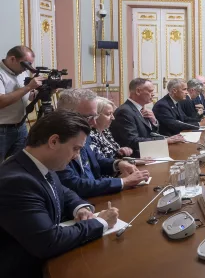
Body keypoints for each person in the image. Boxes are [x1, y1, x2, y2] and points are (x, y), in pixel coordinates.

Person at [0, 111, 119, 277]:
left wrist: (80, 207)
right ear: (54, 141)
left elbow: (63, 191)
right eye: (75, 148)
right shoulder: (16, 182)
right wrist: (100, 222)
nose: (76, 156)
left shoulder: (36, 163)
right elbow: (47, 242)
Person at [55, 89, 150, 198]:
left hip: (97, 195)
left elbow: (97, 161)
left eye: (95, 117)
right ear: (66, 115)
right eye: (88, 117)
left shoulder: (83, 132)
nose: (94, 122)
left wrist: (118, 164)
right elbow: (75, 185)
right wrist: (124, 182)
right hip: (84, 200)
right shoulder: (58, 142)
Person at [111, 78, 183, 155]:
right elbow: (132, 141)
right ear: (138, 91)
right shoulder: (124, 112)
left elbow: (151, 133)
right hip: (136, 155)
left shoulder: (140, 109)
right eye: (150, 91)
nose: (153, 94)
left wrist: (154, 121)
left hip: (149, 151)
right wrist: (164, 140)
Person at [0, 45, 44, 159]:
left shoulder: (21, 72)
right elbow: (1, 102)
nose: (27, 69)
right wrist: (28, 87)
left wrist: (46, 90)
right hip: (2, 130)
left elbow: (28, 96)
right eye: (25, 64)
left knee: (19, 163)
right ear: (12, 59)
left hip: (21, 126)